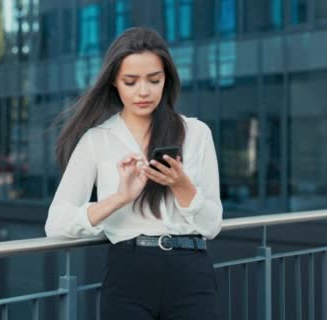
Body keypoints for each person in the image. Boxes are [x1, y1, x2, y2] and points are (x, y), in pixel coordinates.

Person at [45, 27, 222, 319]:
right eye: (131, 81)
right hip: (129, 275)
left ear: (166, 80)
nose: (144, 91)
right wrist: (119, 198)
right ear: (114, 81)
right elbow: (56, 223)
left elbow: (213, 224)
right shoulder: (97, 140)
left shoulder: (196, 133)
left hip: (191, 274)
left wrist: (181, 186)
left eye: (154, 80)